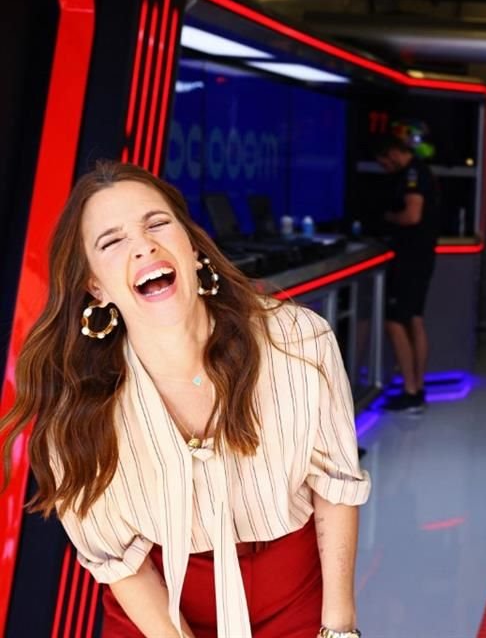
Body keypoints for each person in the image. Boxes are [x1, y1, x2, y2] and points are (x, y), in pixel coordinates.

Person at [0, 161, 369, 638]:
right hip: (159, 610)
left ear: (191, 246)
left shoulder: (298, 340)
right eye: (112, 242)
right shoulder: (76, 406)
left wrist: (339, 626)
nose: (144, 246)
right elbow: (117, 559)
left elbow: (336, 485)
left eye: (157, 223)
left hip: (295, 593)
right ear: (95, 285)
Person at [373, 135, 439, 413]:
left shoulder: (413, 174)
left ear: (393, 153)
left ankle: (411, 390)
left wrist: (388, 218)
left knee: (395, 322)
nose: (386, 167)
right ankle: (417, 387)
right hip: (421, 257)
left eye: (385, 161)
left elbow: (412, 216)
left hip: (411, 257)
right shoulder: (422, 171)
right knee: (414, 320)